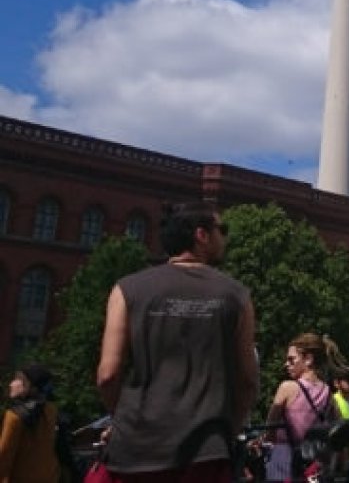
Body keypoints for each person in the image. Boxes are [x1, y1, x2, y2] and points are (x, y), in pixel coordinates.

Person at [97, 202, 258, 483]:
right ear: (201, 235)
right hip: (205, 453)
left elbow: (108, 375)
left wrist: (122, 421)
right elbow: (247, 380)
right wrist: (227, 432)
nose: (225, 238)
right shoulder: (237, 296)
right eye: (222, 229)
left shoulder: (126, 289)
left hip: (135, 451)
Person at [263, 332, 349, 481]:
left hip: (284, 461)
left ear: (308, 359)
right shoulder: (327, 392)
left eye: (291, 359)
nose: (286, 364)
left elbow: (269, 429)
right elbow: (338, 431)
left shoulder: (287, 388)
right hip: (313, 465)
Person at [0, 364, 61, 483]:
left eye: (17, 379)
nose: (11, 384)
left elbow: (4, 456)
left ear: (31, 387)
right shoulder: (51, 410)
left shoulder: (14, 416)